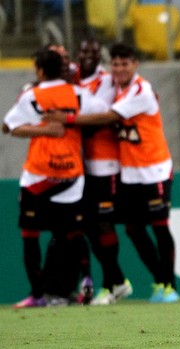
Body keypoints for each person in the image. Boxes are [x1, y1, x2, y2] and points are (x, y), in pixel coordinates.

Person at [45, 42, 179, 303]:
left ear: (135, 64)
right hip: (129, 171)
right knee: (133, 229)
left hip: (154, 170)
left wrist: (67, 120)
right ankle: (156, 281)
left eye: (124, 63)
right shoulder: (116, 88)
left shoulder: (141, 90)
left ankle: (168, 285)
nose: (119, 68)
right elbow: (77, 71)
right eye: (115, 64)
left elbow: (107, 118)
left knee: (160, 228)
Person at [3, 49, 108, 308]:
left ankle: (37, 295)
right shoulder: (78, 93)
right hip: (71, 174)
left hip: (37, 175)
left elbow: (8, 126)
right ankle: (87, 281)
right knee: (72, 232)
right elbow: (105, 113)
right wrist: (72, 120)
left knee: (30, 235)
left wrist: (43, 129)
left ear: (39, 70)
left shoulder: (32, 95)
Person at [75, 38, 133, 304]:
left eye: (94, 52)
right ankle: (116, 281)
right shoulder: (74, 77)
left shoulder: (107, 81)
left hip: (106, 163)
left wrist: (68, 116)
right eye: (85, 51)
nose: (89, 56)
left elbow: (99, 116)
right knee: (87, 224)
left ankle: (112, 284)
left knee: (103, 222)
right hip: (83, 164)